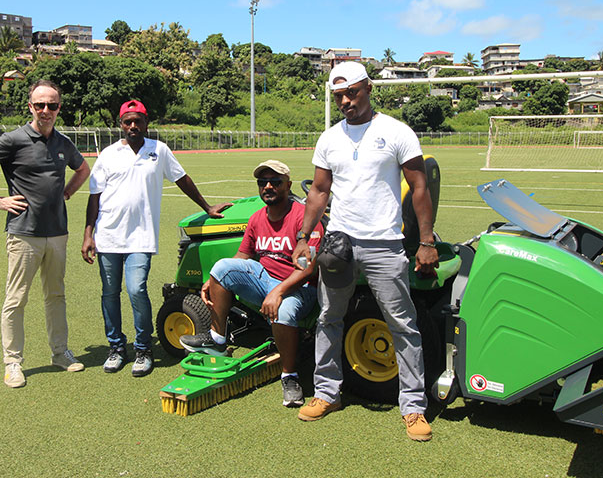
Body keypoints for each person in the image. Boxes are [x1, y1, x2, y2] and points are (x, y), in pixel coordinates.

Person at [291, 61, 440, 441]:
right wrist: (305, 237)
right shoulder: (329, 138)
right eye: (338, 95)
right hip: (339, 244)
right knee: (329, 318)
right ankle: (327, 393)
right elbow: (319, 192)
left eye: (351, 93)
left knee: (403, 326)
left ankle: (413, 407)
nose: (345, 101)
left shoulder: (396, 132)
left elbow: (419, 186)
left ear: (369, 88)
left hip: (385, 244)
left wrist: (426, 241)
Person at [81, 100, 231, 377]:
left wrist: (207, 207)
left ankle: (142, 348)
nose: (133, 126)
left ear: (146, 123)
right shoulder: (108, 154)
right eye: (128, 121)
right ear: (121, 124)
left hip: (140, 237)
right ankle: (116, 347)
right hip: (108, 236)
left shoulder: (158, 151)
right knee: (109, 293)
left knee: (137, 289)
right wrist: (88, 233)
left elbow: (181, 179)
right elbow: (95, 197)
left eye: (138, 121)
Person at [0, 79, 91, 388]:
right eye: (40, 105)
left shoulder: (63, 142)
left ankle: (60, 353)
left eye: (53, 105)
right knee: (16, 299)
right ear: (30, 106)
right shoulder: (13, 140)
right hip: (24, 234)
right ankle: (13, 363)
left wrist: (67, 193)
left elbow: (84, 170)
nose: (46, 110)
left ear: (59, 108)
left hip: (58, 233)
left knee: (56, 296)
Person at [180, 160, 324, 407]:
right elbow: (242, 256)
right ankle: (217, 339)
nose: (268, 186)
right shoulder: (257, 218)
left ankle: (289, 376)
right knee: (223, 267)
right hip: (266, 280)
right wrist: (213, 278)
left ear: (288, 185)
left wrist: (278, 292)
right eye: (263, 183)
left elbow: (308, 267)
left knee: (284, 309)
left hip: (300, 286)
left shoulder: (303, 217)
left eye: (275, 182)